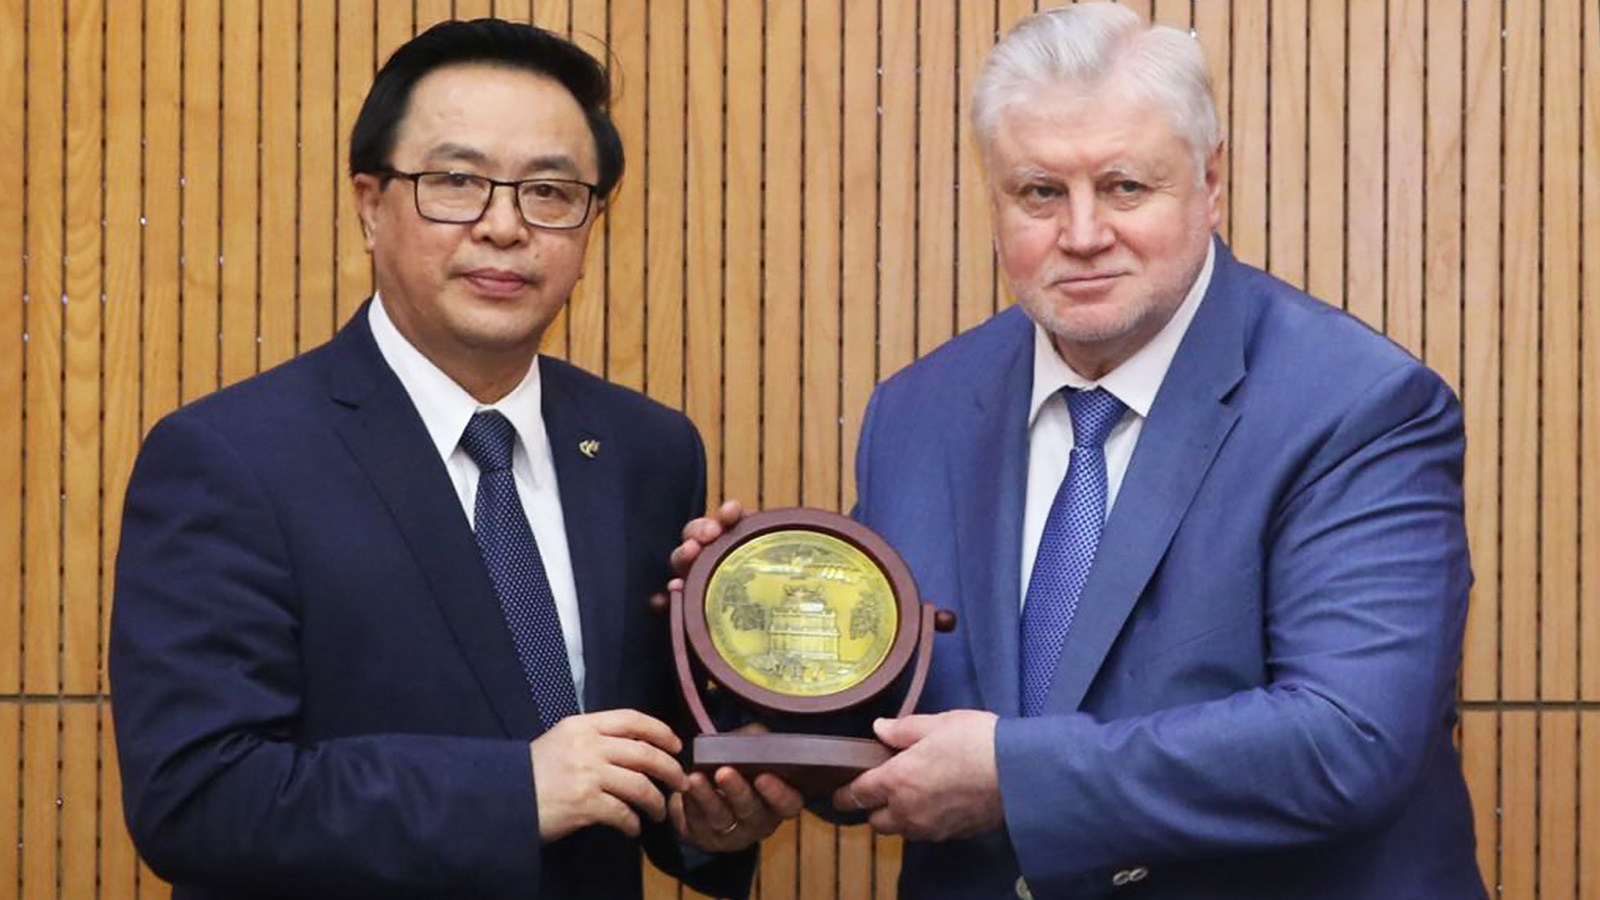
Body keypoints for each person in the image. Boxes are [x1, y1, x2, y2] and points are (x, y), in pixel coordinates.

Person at [673, 4, 1484, 898]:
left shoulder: (1358, 405)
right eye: (1040, 193)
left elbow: (1348, 742)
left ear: (1211, 183)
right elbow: (895, 710)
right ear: (994, 200)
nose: (1084, 233)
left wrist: (1014, 779)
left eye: (1125, 187)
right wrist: (750, 650)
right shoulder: (917, 412)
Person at [110, 19, 798, 900]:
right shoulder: (229, 458)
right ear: (370, 205)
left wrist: (713, 812)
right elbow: (197, 798)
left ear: (592, 222)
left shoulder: (647, 449)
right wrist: (514, 793)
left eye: (550, 191)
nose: (505, 227)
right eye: (457, 183)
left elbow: (642, 757)